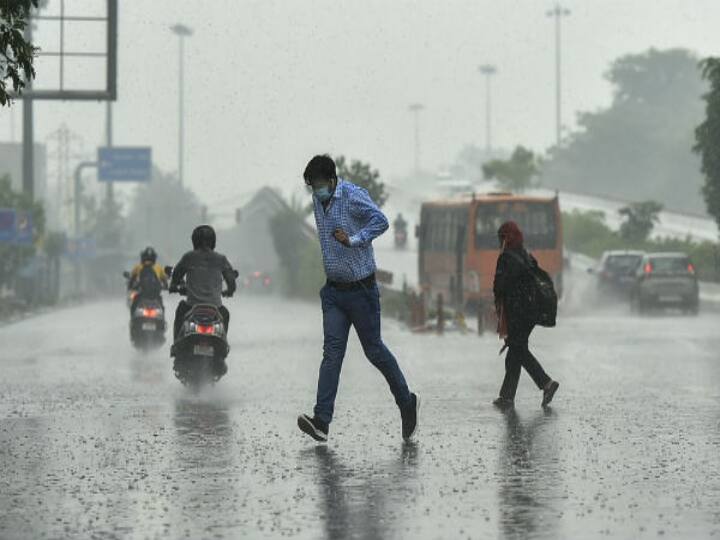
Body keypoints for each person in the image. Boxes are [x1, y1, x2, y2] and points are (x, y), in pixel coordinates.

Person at [296, 154, 420, 443]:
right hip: (334, 293)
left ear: (332, 180)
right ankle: (322, 421)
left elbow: (381, 221)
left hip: (361, 291)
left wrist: (353, 239)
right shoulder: (318, 201)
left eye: (319, 185)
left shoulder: (352, 196)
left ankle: (407, 402)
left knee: (374, 351)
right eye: (312, 186)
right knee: (332, 353)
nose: (316, 191)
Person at [492, 221, 559, 408]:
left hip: (517, 313)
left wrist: (497, 304)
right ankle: (507, 397)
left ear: (506, 238)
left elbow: (499, 286)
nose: (500, 242)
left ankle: (546, 383)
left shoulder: (506, 258)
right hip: (531, 312)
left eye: (501, 238)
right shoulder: (526, 256)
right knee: (515, 352)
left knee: (518, 350)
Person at [169, 225, 237, 368]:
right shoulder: (221, 259)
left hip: (191, 306)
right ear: (213, 241)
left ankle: (176, 346)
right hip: (215, 308)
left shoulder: (189, 257)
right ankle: (222, 350)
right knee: (226, 314)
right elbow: (231, 279)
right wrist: (230, 290)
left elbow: (176, 275)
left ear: (194, 240)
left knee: (180, 310)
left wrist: (174, 286)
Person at [127, 247, 168, 311]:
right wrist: (165, 286)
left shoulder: (138, 267)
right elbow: (164, 280)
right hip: (155, 295)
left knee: (134, 305)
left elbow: (132, 279)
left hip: (142, 293)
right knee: (161, 306)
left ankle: (132, 319)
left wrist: (131, 287)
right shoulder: (158, 267)